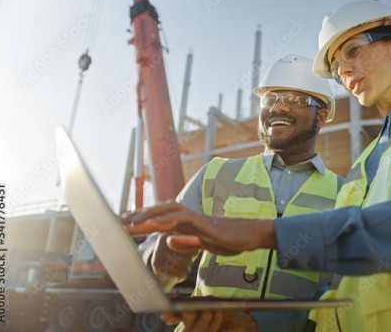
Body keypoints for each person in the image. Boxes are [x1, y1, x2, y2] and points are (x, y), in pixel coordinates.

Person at [126, 0, 391, 331]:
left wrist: (256, 232)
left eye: (354, 50)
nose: (345, 69)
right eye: (338, 65)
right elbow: (334, 296)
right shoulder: (361, 171)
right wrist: (250, 323)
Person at [137, 54, 342, 332]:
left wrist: (262, 325)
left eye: (295, 100)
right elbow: (155, 254)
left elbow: (341, 296)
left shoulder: (345, 194)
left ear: (320, 116)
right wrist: (156, 259)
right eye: (269, 100)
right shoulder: (216, 174)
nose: (278, 108)